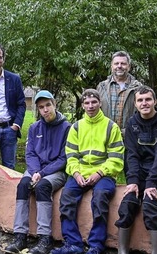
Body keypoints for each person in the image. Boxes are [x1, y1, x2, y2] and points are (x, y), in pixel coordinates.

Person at [52, 89, 124, 254]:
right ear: (83, 105)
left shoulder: (111, 127)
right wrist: (76, 173)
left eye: (94, 102)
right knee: (67, 198)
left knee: (99, 198)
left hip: (104, 174)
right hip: (80, 173)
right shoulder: (76, 127)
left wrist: (99, 173)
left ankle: (96, 245)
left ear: (100, 103)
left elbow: (116, 159)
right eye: (87, 103)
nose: (90, 106)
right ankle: (73, 244)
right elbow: (71, 156)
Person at [114, 86, 157, 254]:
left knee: (150, 204)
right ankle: (122, 250)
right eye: (140, 100)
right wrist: (133, 182)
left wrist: (152, 183)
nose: (144, 103)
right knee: (128, 203)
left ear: (155, 102)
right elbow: (132, 156)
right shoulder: (132, 124)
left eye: (148, 99)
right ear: (135, 104)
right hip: (140, 174)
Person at [4, 90, 72, 254]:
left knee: (42, 187)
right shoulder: (35, 127)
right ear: (38, 110)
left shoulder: (67, 127)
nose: (45, 110)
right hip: (35, 170)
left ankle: (44, 238)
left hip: (57, 171)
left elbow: (64, 158)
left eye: (48, 105)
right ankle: (20, 236)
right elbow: (30, 153)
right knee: (23, 185)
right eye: (41, 107)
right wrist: (35, 171)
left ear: (54, 104)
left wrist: (42, 173)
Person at [96, 51, 143, 135]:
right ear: (111, 66)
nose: (119, 66)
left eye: (123, 63)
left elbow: (142, 113)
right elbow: (96, 111)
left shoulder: (138, 87)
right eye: (116, 63)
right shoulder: (101, 87)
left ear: (129, 67)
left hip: (130, 137)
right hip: (105, 136)